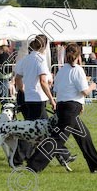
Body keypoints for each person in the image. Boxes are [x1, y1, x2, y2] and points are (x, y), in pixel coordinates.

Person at [27, 44, 97, 173]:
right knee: (57, 139)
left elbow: (58, 89)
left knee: (84, 136)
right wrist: (94, 85)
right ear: (79, 56)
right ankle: (33, 165)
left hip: (64, 106)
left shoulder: (62, 70)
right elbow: (85, 91)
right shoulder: (78, 70)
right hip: (71, 108)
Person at [14, 34, 74, 168]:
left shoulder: (26, 59)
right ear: (44, 46)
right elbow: (42, 81)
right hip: (39, 98)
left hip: (29, 98)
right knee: (37, 131)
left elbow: (17, 78)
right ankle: (19, 159)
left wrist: (23, 90)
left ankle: (63, 155)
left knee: (34, 130)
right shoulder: (40, 60)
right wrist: (52, 99)